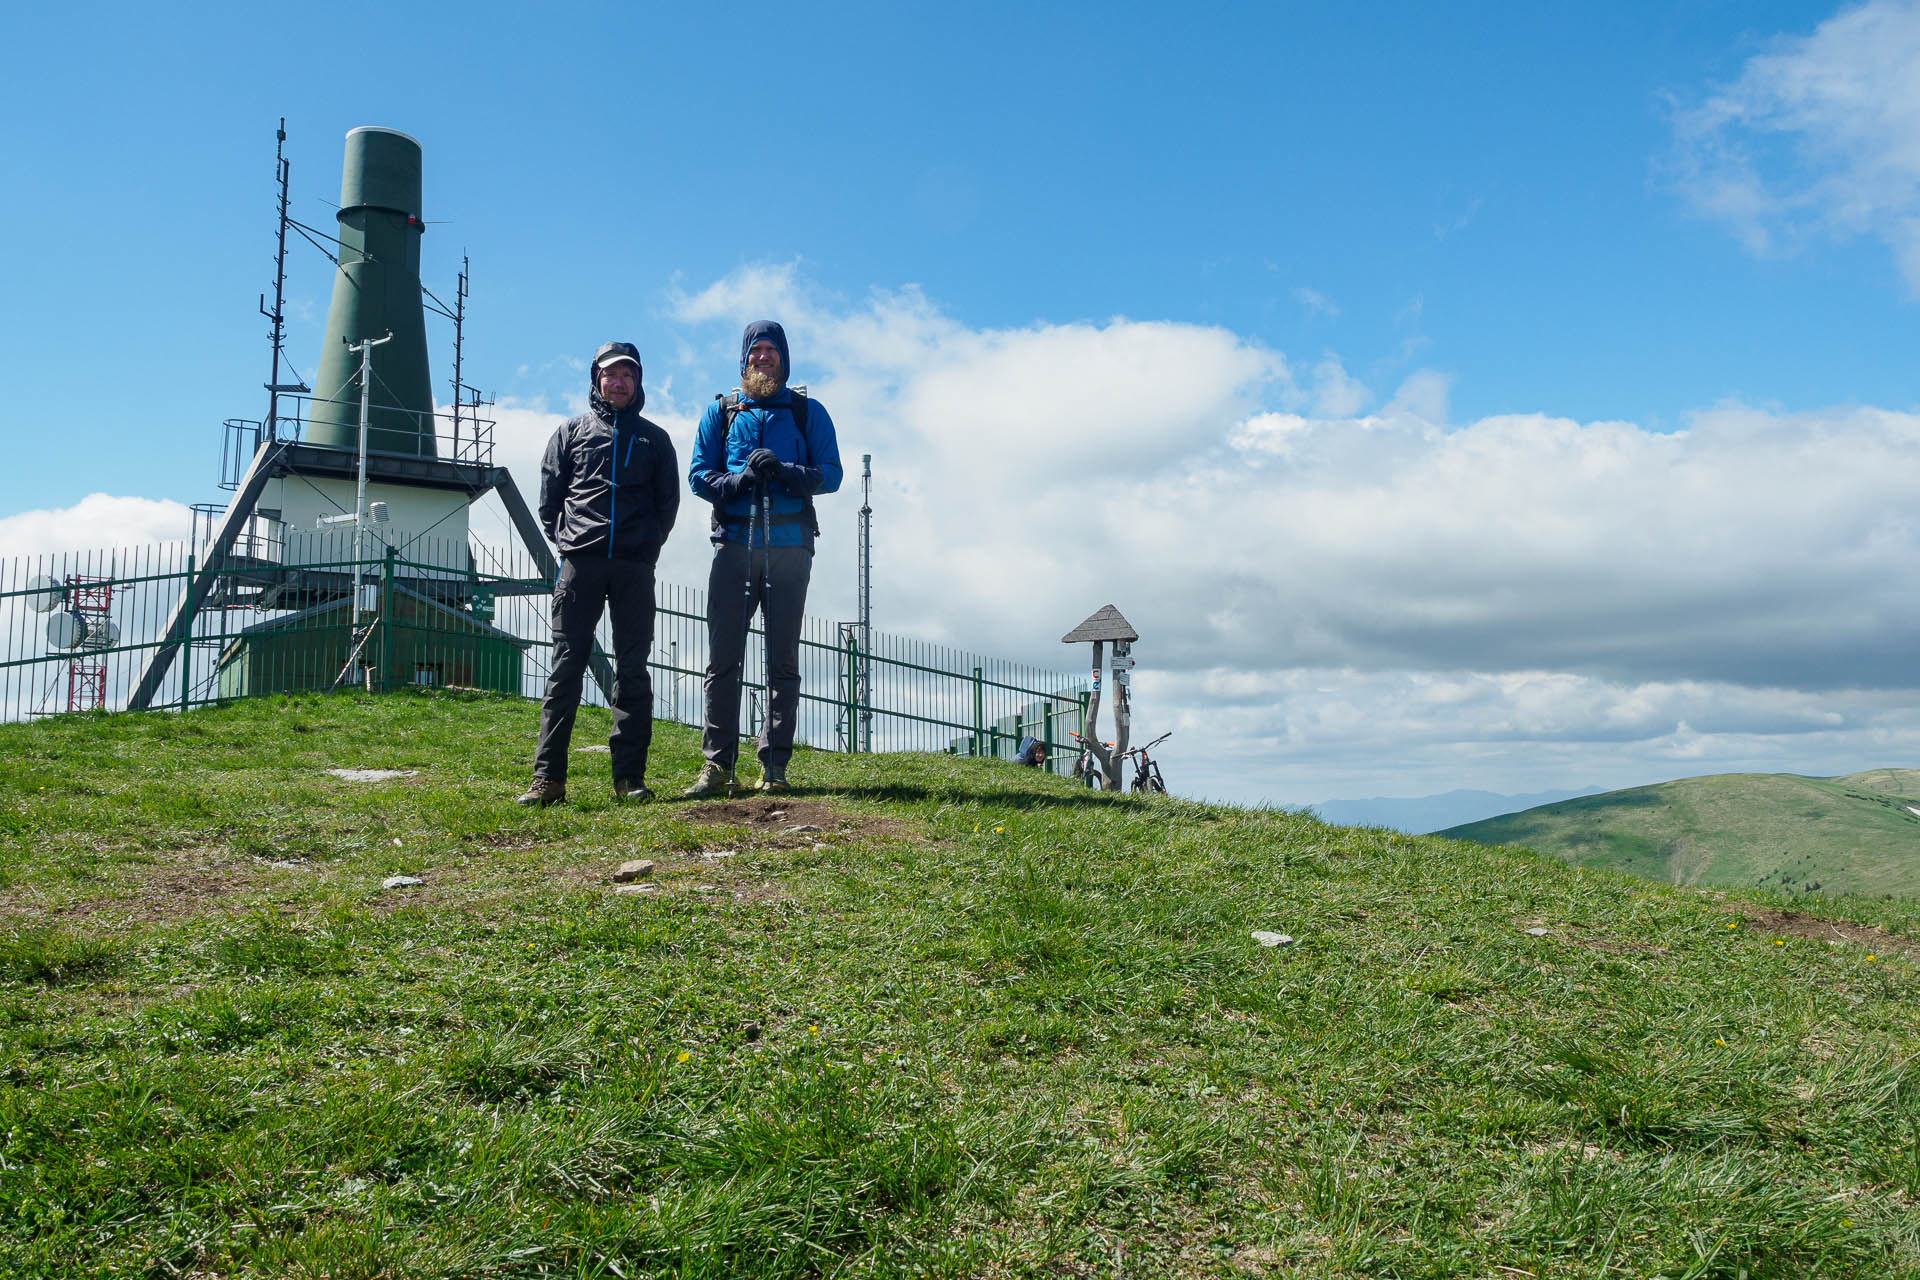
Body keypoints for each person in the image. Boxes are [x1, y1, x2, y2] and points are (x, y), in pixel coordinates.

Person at [683, 321, 842, 796]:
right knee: (722, 659)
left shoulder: (806, 412)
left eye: (772, 350)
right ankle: (718, 767)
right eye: (757, 350)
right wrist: (738, 482)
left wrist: (789, 472)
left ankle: (774, 766)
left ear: (784, 357)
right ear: (744, 359)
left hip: (790, 549)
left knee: (782, 660)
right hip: (734, 546)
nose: (764, 357)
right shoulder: (723, 412)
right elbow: (697, 475)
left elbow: (831, 474)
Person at [518, 341, 679, 806]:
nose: (619, 381)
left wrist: (645, 547)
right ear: (596, 379)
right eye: (610, 374)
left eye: (627, 374)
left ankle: (629, 780)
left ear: (638, 381)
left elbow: (667, 505)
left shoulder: (656, 439)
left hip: (634, 569)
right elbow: (550, 500)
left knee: (633, 671)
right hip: (580, 566)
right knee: (565, 669)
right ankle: (548, 781)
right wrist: (572, 541)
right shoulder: (570, 433)